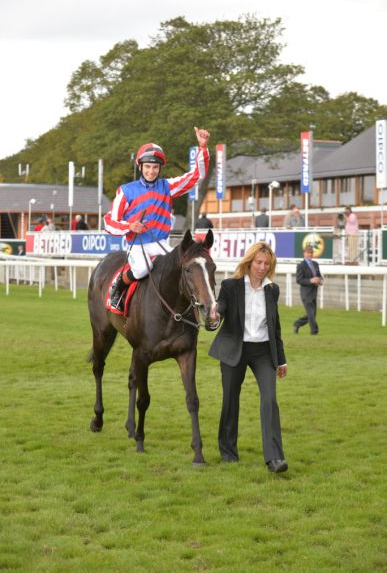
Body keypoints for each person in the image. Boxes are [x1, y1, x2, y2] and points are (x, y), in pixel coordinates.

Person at [104, 126, 210, 309]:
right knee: (142, 269)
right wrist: (130, 226)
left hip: (160, 242)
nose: (151, 171)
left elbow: (196, 176)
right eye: (147, 167)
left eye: (155, 167)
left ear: (159, 168)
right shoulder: (126, 191)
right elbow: (109, 222)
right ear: (140, 166)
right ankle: (118, 286)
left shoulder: (167, 186)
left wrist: (202, 147)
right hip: (135, 244)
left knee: (182, 265)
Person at [209, 241, 288, 474]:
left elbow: (275, 328)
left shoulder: (272, 290)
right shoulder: (231, 285)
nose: (262, 267)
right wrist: (215, 314)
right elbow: (220, 309)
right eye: (258, 262)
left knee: (269, 400)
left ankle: (274, 458)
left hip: (263, 351)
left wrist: (281, 360)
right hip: (235, 348)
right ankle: (228, 451)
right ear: (249, 262)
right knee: (230, 400)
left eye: (267, 263)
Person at [293, 245, 323, 335]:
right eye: (307, 253)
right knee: (311, 314)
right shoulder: (301, 265)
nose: (309, 255)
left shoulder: (315, 264)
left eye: (311, 253)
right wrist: (311, 280)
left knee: (312, 315)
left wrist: (320, 280)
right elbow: (299, 280)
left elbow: (319, 275)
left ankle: (298, 323)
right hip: (305, 294)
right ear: (304, 253)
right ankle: (314, 331)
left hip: (314, 292)